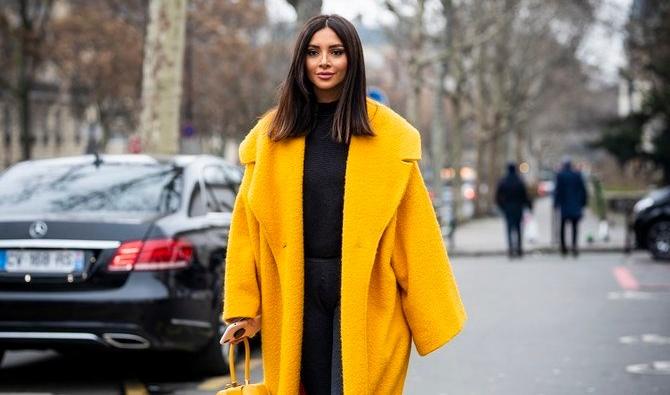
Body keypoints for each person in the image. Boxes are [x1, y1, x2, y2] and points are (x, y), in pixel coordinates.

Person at [220, 14, 466, 395]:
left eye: (336, 52)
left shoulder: (389, 137)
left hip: (369, 290)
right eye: (314, 52)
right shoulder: (271, 137)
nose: (324, 62)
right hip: (295, 291)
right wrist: (242, 306)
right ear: (300, 60)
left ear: (353, 59)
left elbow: (414, 231)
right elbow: (246, 230)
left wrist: (430, 312)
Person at [495, 162, 532, 258]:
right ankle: (519, 249)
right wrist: (528, 206)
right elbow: (525, 195)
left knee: (509, 229)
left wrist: (502, 207)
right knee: (518, 228)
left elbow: (498, 196)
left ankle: (511, 249)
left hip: (508, 208)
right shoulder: (520, 181)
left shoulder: (503, 181)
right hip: (518, 208)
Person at [553, 158, 588, 256]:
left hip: (564, 206)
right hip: (576, 206)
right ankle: (574, 245)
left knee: (563, 227)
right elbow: (583, 190)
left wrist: (556, 204)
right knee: (575, 227)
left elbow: (558, 191)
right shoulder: (577, 175)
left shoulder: (560, 175)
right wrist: (583, 203)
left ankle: (563, 247)